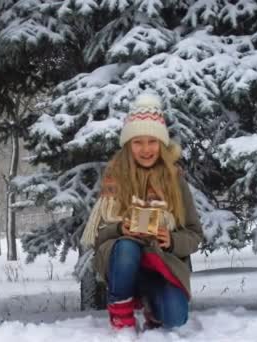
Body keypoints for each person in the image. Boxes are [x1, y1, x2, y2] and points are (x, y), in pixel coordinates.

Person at [80, 93, 204, 330]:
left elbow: (195, 234)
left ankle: (152, 303)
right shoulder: (114, 178)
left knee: (175, 317)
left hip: (161, 263)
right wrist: (119, 228)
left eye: (152, 141)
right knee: (127, 246)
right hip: (123, 264)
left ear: (161, 143)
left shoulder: (175, 180)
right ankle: (121, 314)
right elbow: (97, 236)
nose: (146, 149)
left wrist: (171, 241)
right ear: (128, 145)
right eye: (138, 142)